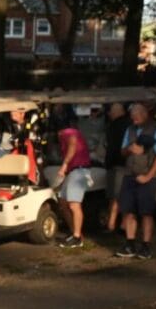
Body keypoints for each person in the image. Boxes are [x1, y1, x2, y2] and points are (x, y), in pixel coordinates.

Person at [114, 101, 156, 260]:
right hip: (130, 174)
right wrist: (129, 149)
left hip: (147, 176)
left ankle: (145, 246)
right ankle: (129, 243)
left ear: (144, 115)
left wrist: (149, 177)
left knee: (146, 212)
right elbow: (122, 152)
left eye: (136, 117)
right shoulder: (130, 130)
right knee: (128, 211)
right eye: (132, 117)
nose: (133, 120)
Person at [52, 104, 92, 247]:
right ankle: (75, 232)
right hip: (73, 171)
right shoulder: (68, 132)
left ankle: (76, 238)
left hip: (79, 170)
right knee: (63, 203)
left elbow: (73, 146)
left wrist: (64, 165)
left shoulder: (69, 132)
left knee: (74, 205)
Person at [104, 100, 130, 232]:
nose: (110, 114)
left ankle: (113, 224)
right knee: (117, 195)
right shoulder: (126, 125)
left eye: (112, 112)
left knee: (117, 196)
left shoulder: (118, 126)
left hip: (119, 164)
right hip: (119, 163)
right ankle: (117, 224)